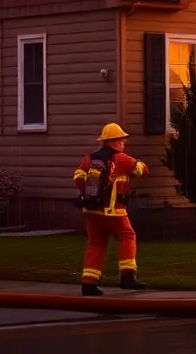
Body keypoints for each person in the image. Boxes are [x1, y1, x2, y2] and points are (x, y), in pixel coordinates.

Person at [72, 123, 148, 295]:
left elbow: (77, 178)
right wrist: (140, 163)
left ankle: (88, 283)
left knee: (96, 243)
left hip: (91, 210)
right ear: (114, 141)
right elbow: (141, 171)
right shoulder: (120, 158)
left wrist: (92, 193)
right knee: (128, 236)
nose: (124, 143)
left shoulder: (90, 158)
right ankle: (128, 277)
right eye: (122, 140)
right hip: (114, 211)